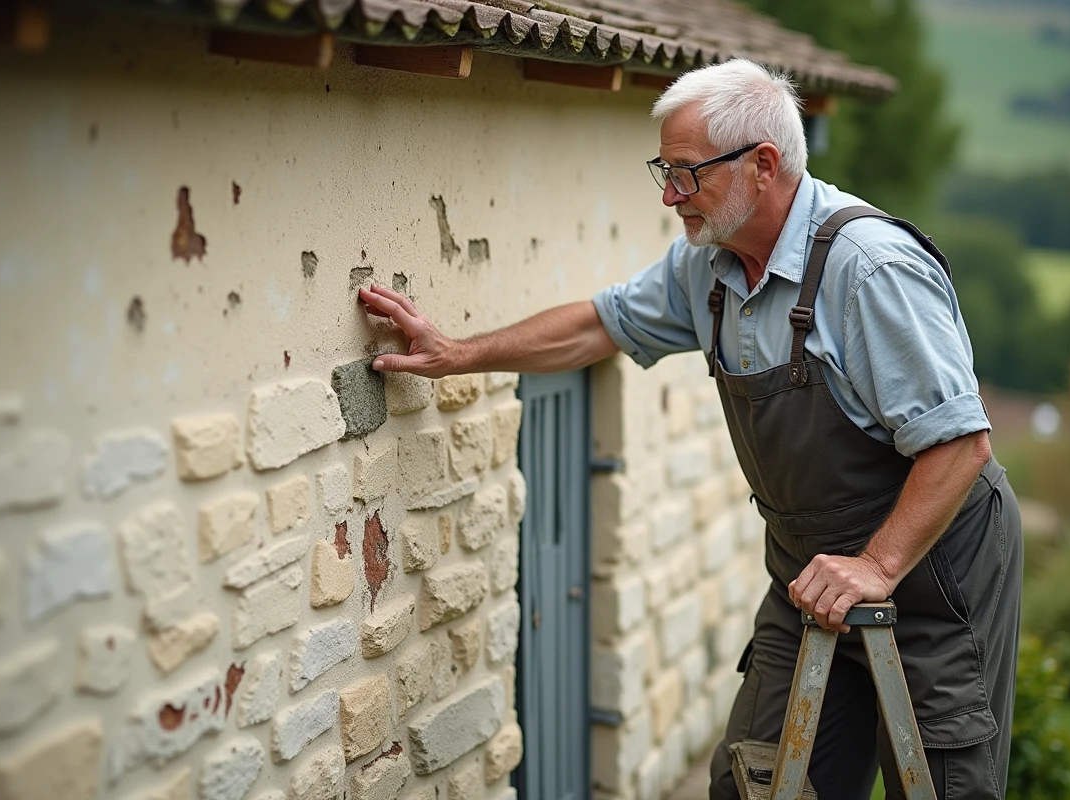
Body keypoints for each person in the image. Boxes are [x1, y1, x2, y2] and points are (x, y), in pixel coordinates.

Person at [359, 58, 1022, 800]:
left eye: (685, 173)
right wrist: (459, 354)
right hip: (808, 576)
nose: (671, 195)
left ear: (762, 165)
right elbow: (597, 326)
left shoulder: (870, 271)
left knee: (940, 782)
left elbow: (961, 443)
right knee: (756, 783)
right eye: (664, 172)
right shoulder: (706, 267)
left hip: (936, 570)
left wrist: (876, 565)